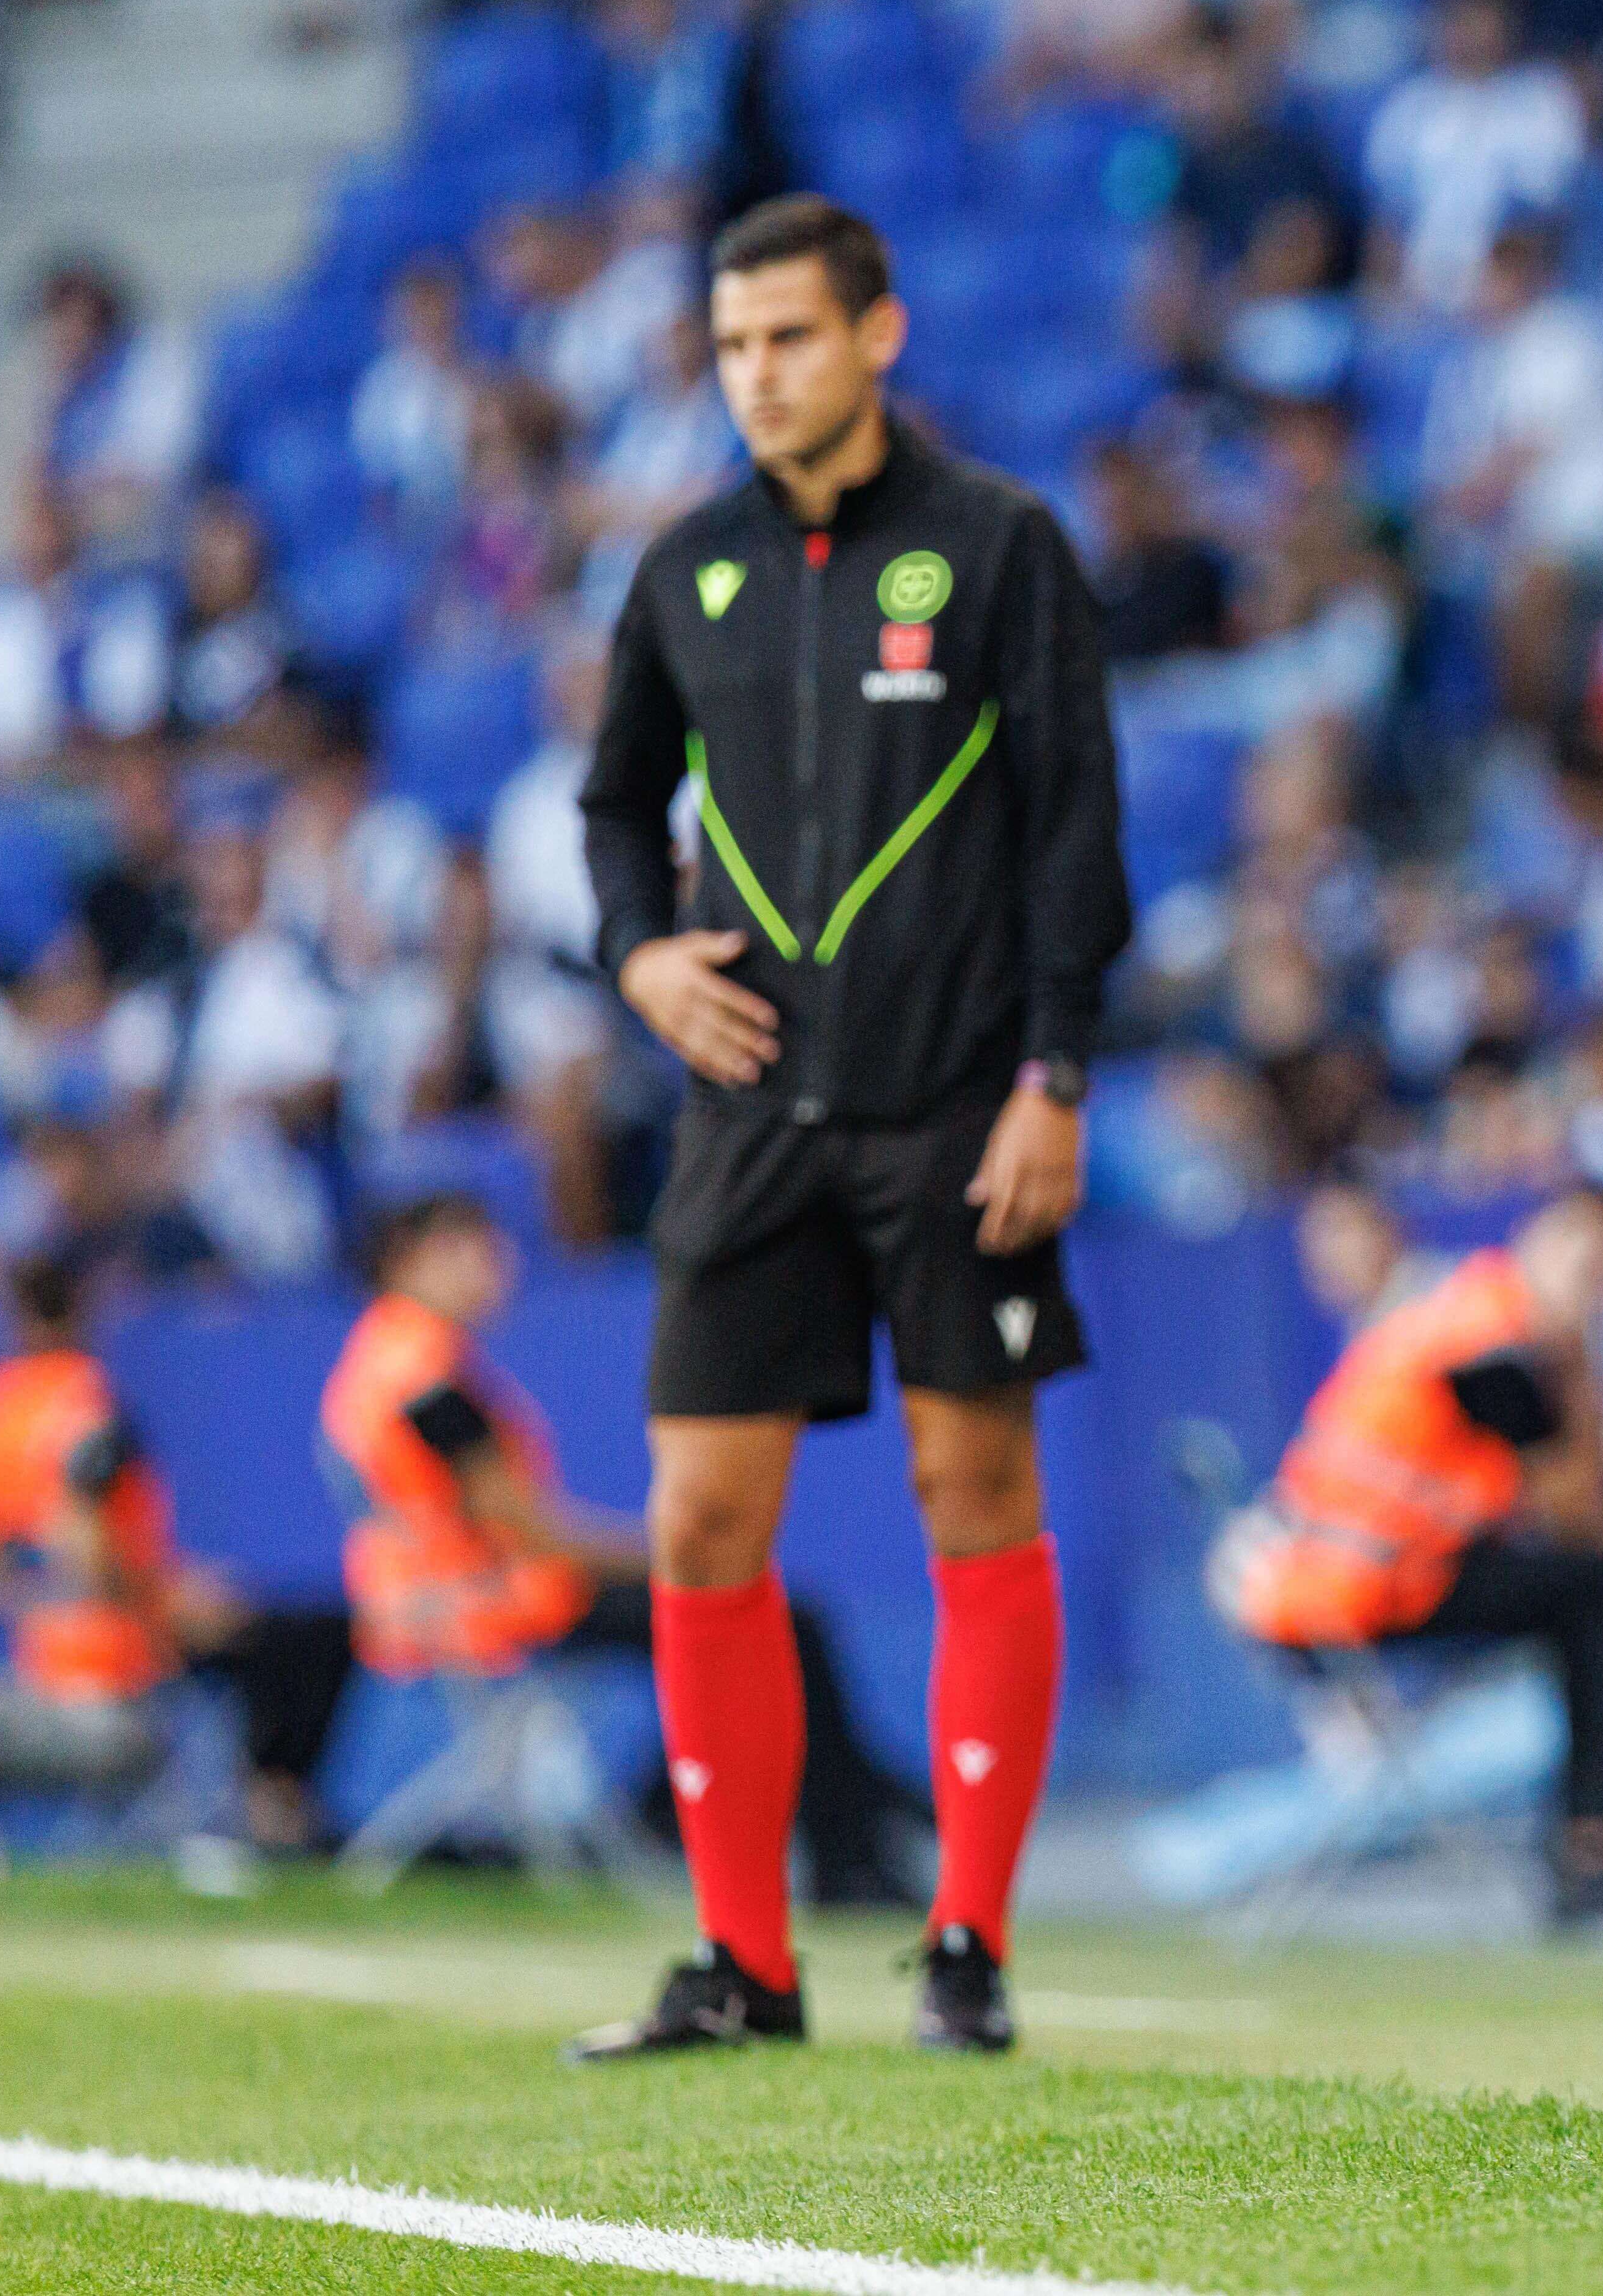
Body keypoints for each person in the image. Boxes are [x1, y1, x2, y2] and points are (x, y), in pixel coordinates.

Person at [568, 196, 1130, 2062]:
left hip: (960, 1108)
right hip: (747, 1118)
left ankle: (967, 1941)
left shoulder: (999, 544)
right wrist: (640, 955)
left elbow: (1076, 827)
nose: (758, 375)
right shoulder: (684, 566)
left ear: (876, 335)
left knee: (974, 1493)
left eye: (790, 337)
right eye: (732, 346)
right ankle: (745, 1962)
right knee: (698, 1518)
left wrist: (1055, 1076)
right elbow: (612, 805)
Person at [324, 1192, 913, 1903]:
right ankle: (842, 1844)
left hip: (464, 1596)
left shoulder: (388, 1357)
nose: (492, 1267)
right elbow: (528, 1528)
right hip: (494, 1603)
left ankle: (793, 1805)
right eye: (463, 1249)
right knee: (764, 1618)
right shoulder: (423, 1378)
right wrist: (669, 1550)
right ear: (402, 1260)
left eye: (492, 1248)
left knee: (748, 1622)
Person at [1213, 1184, 1603, 1926]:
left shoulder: (1468, 1314)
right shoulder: (1488, 1340)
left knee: (1588, 1596)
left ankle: (1593, 1841)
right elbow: (1571, 1504)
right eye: (1580, 1255)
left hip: (1352, 1581)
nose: (1589, 1281)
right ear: (1537, 1239)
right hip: (1346, 1594)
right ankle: (1592, 1844)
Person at [0, 1253, 357, 1856]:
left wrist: (43, 1606)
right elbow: (86, 1546)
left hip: (45, 1651)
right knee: (309, 1638)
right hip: (124, 1652)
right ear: (86, 1307)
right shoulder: (83, 1403)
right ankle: (273, 1811)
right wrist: (166, 1599)